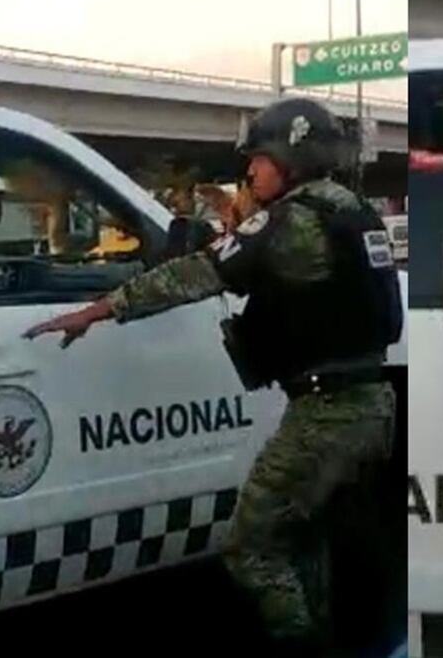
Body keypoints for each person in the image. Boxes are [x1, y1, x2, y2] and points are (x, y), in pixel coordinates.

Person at [23, 97, 402, 655]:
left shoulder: (291, 220)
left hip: (328, 416)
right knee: (308, 539)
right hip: (367, 405)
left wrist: (100, 309)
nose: (249, 169)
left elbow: (200, 272)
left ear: (290, 161)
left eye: (260, 158)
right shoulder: (351, 211)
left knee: (253, 547)